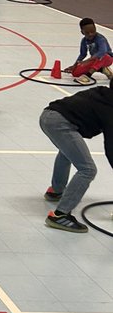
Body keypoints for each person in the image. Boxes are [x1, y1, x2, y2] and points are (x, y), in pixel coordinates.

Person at [39, 83, 113, 233]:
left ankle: (56, 190)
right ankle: (60, 215)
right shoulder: (110, 108)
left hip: (48, 115)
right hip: (60, 123)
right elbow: (111, 145)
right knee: (88, 170)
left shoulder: (103, 93)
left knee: (67, 153)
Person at [64, 18, 113, 85]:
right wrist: (74, 65)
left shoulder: (100, 39)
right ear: (82, 32)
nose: (90, 34)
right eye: (87, 32)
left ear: (95, 28)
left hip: (107, 59)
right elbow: (82, 54)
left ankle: (88, 75)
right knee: (75, 73)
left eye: (93, 31)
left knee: (102, 56)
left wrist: (88, 60)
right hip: (94, 60)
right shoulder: (84, 41)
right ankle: (103, 69)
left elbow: (102, 52)